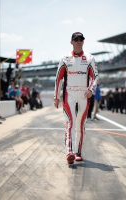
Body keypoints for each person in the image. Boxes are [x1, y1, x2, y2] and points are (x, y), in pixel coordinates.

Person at [54, 32, 98, 164]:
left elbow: (95, 76)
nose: (79, 41)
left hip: (85, 95)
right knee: (71, 123)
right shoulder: (65, 58)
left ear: (83, 41)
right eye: (76, 39)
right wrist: (56, 97)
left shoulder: (90, 58)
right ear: (71, 42)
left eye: (81, 39)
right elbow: (58, 79)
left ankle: (78, 152)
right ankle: (69, 152)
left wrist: (91, 89)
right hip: (69, 95)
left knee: (81, 125)